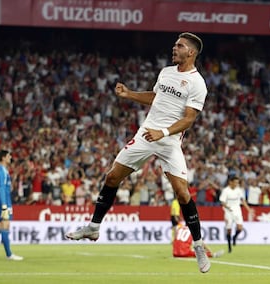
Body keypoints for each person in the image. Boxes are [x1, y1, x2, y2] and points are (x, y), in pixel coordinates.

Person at [66, 32, 210, 273]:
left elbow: (188, 120)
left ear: (191, 52)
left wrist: (163, 133)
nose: (174, 48)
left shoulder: (197, 83)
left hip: (169, 140)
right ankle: (93, 226)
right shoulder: (166, 72)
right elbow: (156, 97)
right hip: (146, 134)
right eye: (175, 44)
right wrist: (130, 94)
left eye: (180, 46)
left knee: (183, 193)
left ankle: (198, 245)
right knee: (112, 177)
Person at [219, 176, 254, 253]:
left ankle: (234, 237)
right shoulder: (225, 191)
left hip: (237, 210)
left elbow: (243, 201)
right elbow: (222, 202)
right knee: (229, 230)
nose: (236, 184)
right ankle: (229, 247)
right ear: (230, 182)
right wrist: (227, 207)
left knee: (240, 228)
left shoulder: (239, 190)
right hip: (228, 212)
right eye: (235, 182)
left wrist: (249, 209)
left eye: (237, 183)